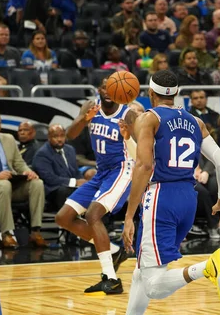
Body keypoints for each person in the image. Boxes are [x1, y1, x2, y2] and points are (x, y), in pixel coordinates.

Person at [122, 70, 220, 314]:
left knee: (153, 285)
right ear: (176, 94)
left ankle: (207, 267)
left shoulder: (149, 118)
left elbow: (144, 166)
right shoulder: (197, 122)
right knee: (142, 272)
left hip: (161, 197)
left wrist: (129, 215)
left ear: (150, 93)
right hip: (188, 198)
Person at [55, 79, 137, 295]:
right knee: (63, 218)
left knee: (93, 215)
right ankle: (114, 251)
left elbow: (142, 149)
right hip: (101, 172)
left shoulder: (129, 113)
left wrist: (128, 137)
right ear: (99, 90)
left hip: (122, 170)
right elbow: (70, 135)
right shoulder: (90, 106)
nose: (108, 92)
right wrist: (84, 119)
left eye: (113, 89)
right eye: (105, 88)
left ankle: (111, 278)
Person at [0, 110, 47, 248]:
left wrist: (28, 172)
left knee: (37, 183)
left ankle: (35, 231)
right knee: (3, 184)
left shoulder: (9, 139)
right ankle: (7, 234)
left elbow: (19, 164)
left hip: (13, 185)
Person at [32, 124, 86, 210]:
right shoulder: (42, 154)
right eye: (55, 136)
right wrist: (75, 182)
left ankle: (103, 221)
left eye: (62, 136)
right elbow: (50, 179)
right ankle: (65, 221)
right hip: (53, 190)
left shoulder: (70, 149)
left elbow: (75, 171)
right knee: (65, 191)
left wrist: (83, 182)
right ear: (49, 138)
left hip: (69, 186)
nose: (60, 139)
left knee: (92, 188)